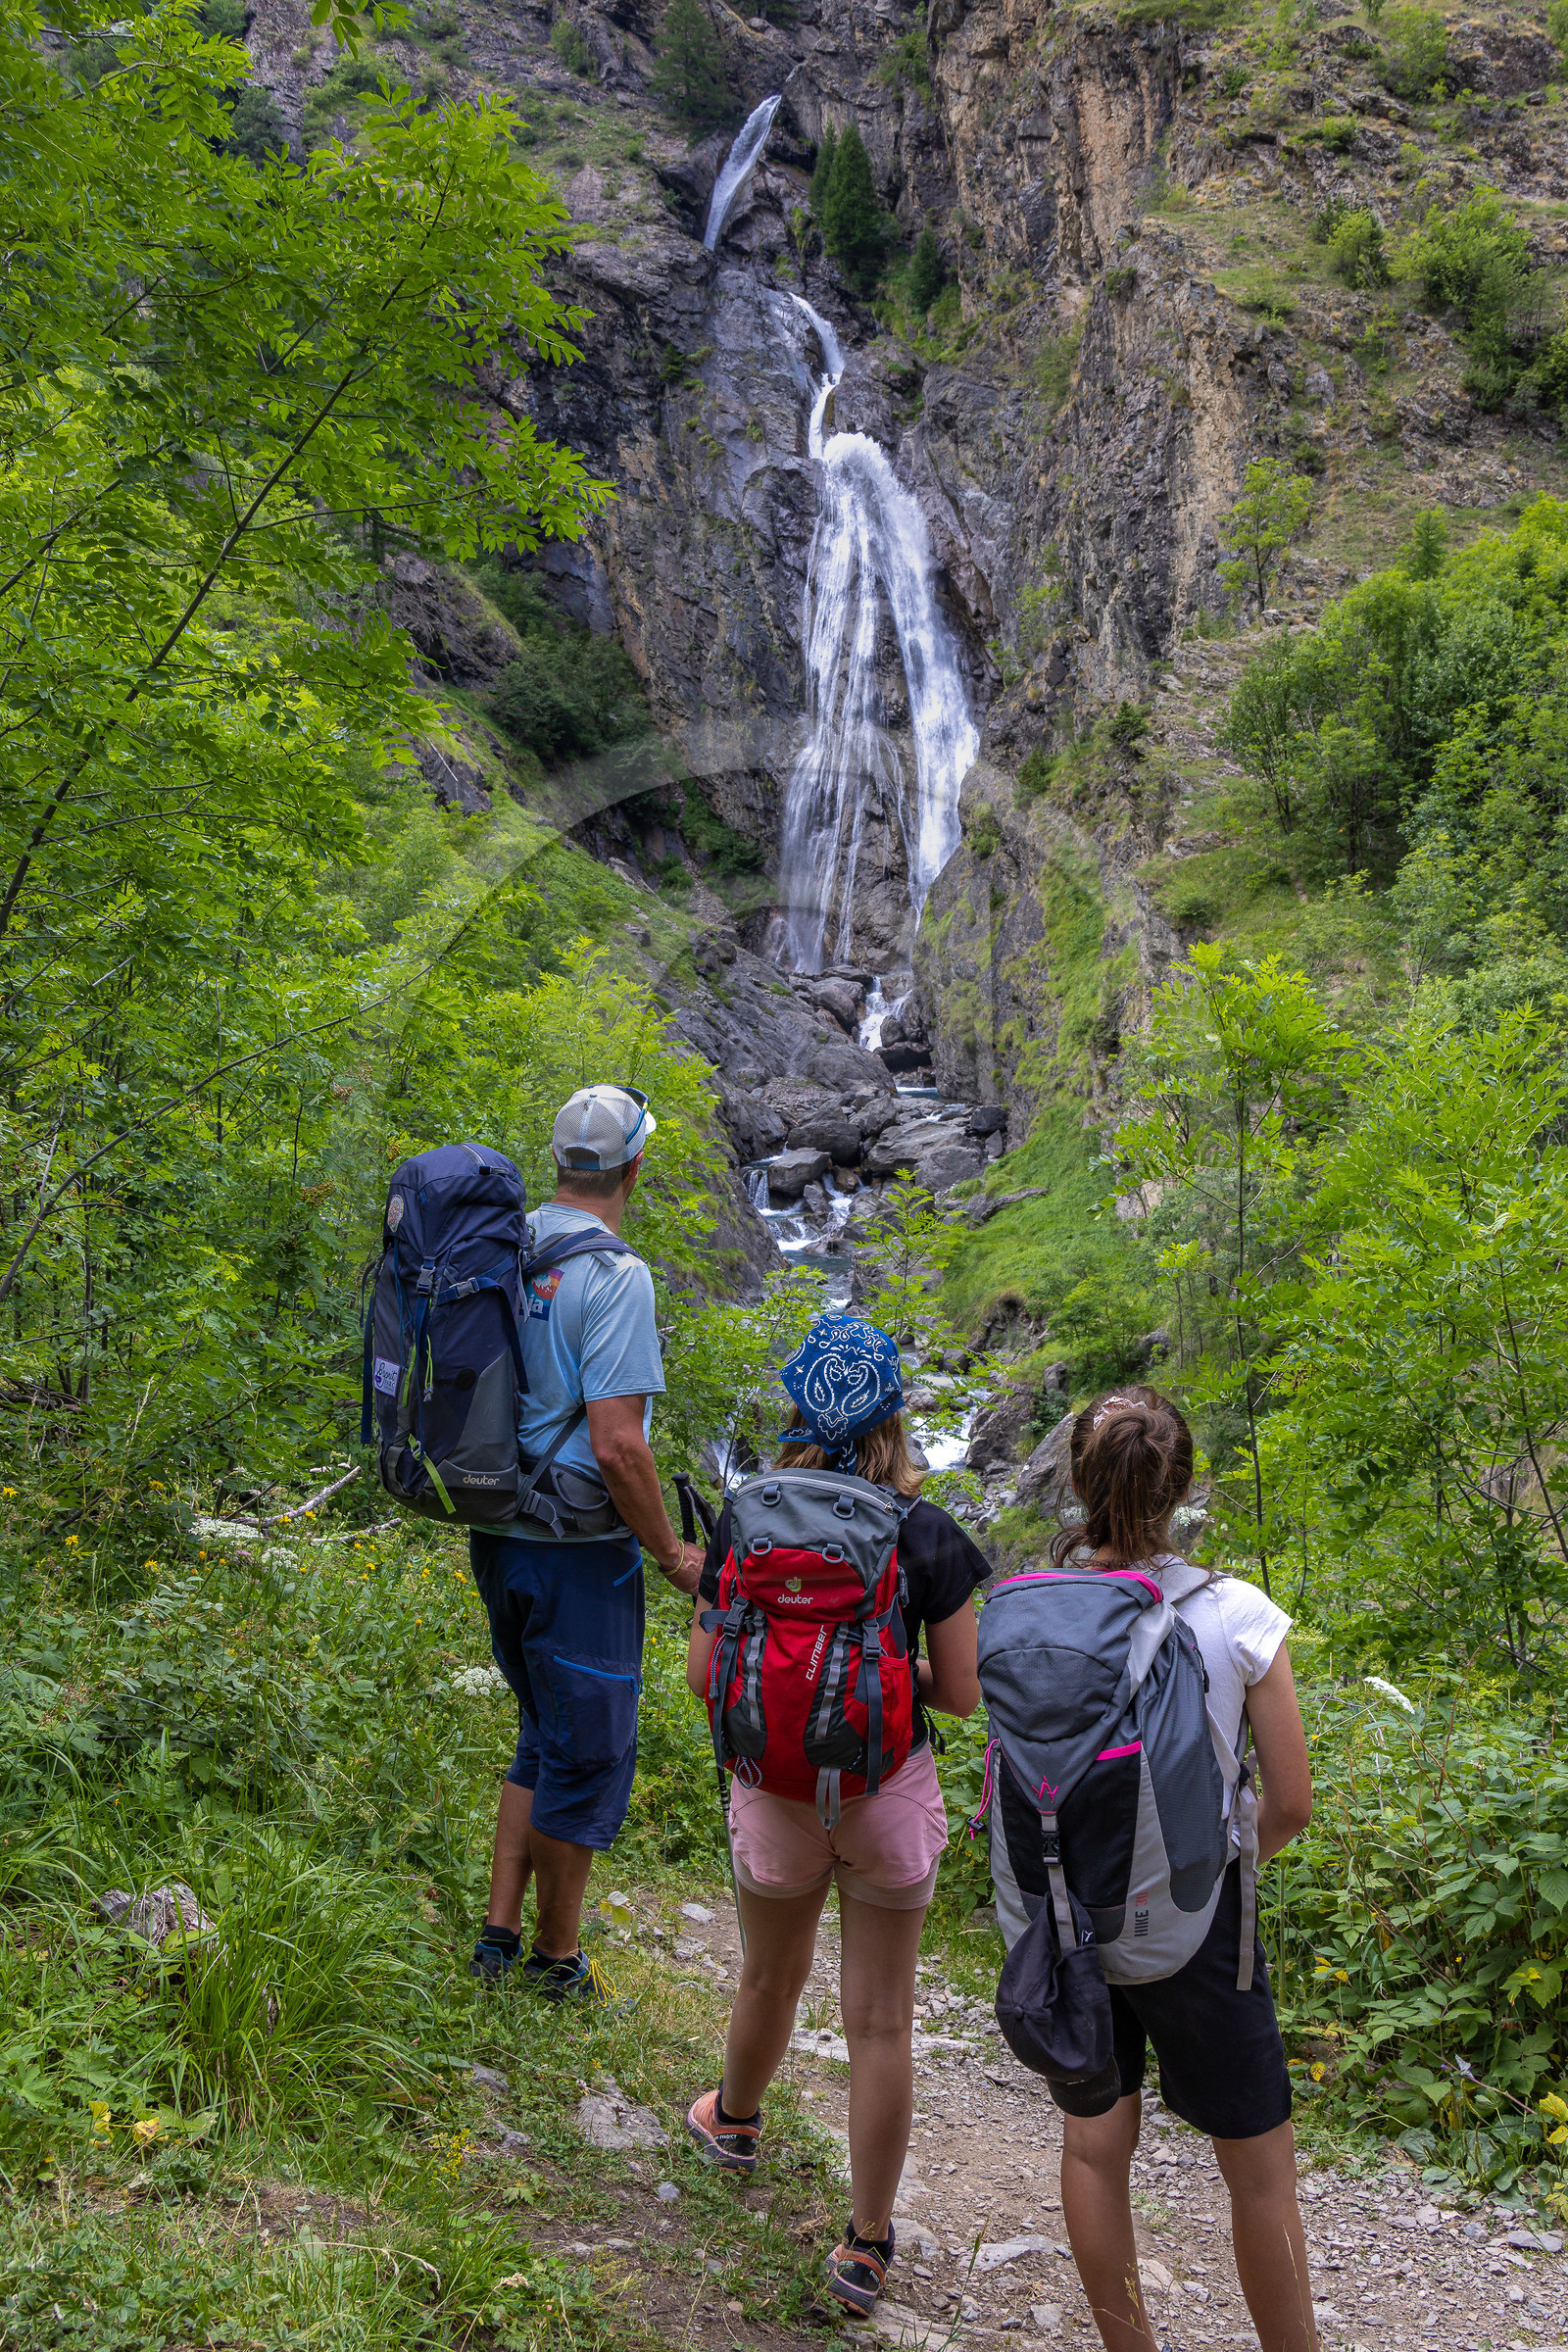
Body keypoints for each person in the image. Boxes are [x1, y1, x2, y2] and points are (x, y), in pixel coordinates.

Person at [682, 1315, 988, 2321]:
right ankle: (863, 2246)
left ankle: (733, 2122)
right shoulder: (926, 1532)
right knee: (881, 2023)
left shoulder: (744, 1517)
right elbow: (958, 1694)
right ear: (893, 1416)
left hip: (771, 1795)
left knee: (768, 1974)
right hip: (884, 1800)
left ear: (796, 1407)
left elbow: (699, 1674)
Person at [1051, 1388, 1317, 2352]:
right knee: (1258, 2175)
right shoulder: (1238, 1615)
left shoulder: (1039, 1617)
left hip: (1080, 1917)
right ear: (1183, 1485)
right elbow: (1288, 1800)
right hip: (1204, 1923)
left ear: (1078, 1482)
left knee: (1092, 2149)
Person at [467, 1084, 705, 2000]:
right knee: (592, 1749)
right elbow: (617, 1443)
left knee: (540, 1730)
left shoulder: (508, 1244)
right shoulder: (616, 1275)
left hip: (497, 1530)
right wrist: (673, 1555)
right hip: (575, 1550)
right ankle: (555, 1962)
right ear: (634, 1167)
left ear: (562, 1159)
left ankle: (499, 1935)